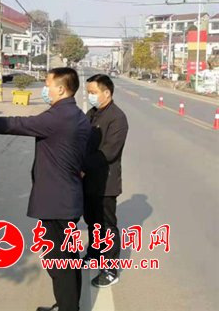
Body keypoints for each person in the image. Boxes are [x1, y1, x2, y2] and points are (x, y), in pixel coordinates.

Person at [0, 68, 91, 311]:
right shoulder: (77, 115)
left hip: (57, 203)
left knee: (59, 263)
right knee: (68, 259)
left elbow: (15, 124)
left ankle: (68, 308)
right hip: (68, 198)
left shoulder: (58, 117)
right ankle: (68, 305)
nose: (44, 89)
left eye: (47, 84)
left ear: (61, 89)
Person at [83, 74, 129, 288]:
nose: (90, 96)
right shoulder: (92, 113)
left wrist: (82, 167)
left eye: (93, 93)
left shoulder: (117, 118)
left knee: (107, 225)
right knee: (92, 220)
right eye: (88, 93)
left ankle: (110, 269)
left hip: (105, 182)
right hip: (88, 179)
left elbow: (109, 152)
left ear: (107, 93)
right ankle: (94, 253)